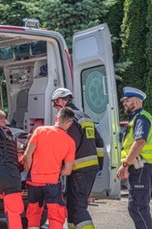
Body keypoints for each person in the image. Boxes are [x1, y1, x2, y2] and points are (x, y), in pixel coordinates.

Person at [51, 88, 104, 229]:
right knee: (72, 205)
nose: (55, 108)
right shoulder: (84, 116)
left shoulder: (70, 118)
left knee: (78, 207)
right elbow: (100, 142)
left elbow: (69, 144)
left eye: (55, 104)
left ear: (61, 100)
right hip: (88, 170)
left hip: (78, 169)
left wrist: (57, 164)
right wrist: (100, 165)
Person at [23, 107, 76, 229]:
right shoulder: (70, 142)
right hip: (52, 182)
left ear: (57, 118)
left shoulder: (40, 131)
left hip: (34, 180)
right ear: (69, 123)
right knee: (56, 214)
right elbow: (67, 171)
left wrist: (29, 169)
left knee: (34, 213)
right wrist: (55, 172)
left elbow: (27, 155)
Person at [116, 86, 152, 229]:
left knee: (138, 207)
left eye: (127, 101)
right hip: (140, 168)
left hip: (141, 168)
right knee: (136, 207)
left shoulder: (141, 117)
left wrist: (125, 164)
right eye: (124, 101)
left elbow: (140, 141)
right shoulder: (137, 118)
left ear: (137, 102)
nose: (124, 104)